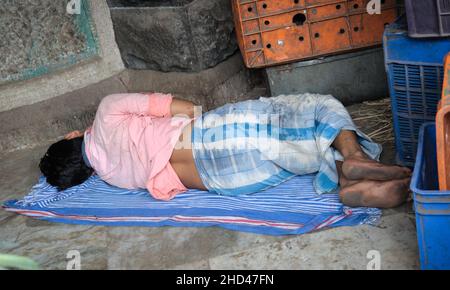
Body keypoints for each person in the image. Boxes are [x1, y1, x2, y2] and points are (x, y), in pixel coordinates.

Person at [39, 92, 411, 208]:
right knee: (313, 106)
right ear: (72, 135)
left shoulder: (113, 177)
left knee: (296, 149)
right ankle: (356, 160)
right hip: (211, 136)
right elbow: (180, 109)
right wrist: (213, 115)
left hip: (225, 180)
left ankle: (347, 177)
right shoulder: (106, 111)